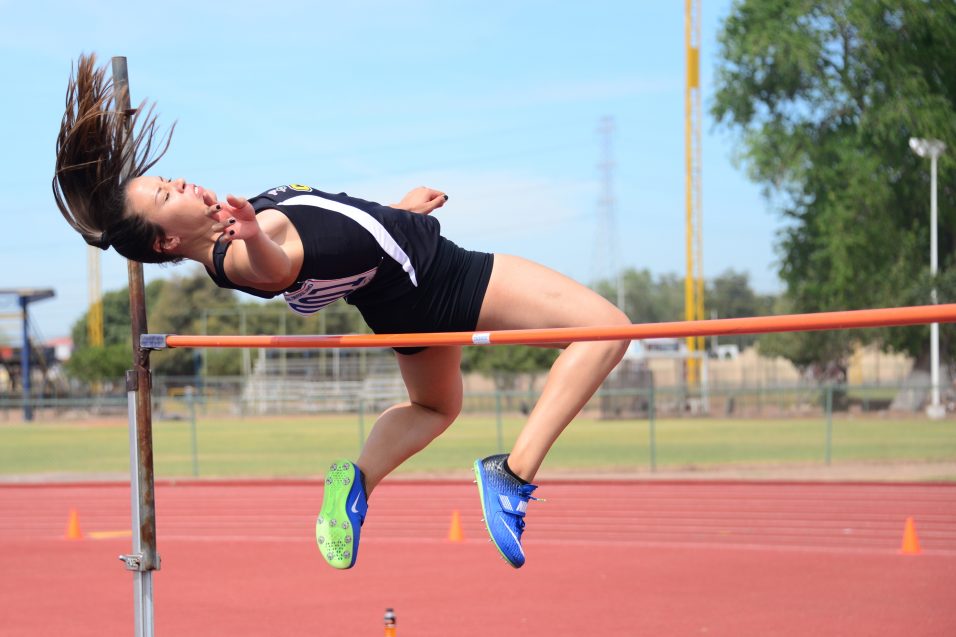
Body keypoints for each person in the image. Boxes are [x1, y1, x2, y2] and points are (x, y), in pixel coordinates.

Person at [53, 54, 630, 569]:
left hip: (398, 298)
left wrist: (398, 212)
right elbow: (277, 271)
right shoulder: (234, 256)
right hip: (443, 277)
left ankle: (356, 482)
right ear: (165, 243)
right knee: (606, 331)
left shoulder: (236, 220)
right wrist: (255, 236)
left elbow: (337, 223)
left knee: (433, 407)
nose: (178, 183)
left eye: (166, 180)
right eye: (164, 196)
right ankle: (513, 473)